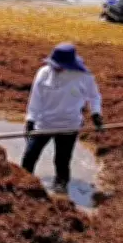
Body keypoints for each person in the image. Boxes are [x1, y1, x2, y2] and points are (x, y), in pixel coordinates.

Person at [22, 43, 104, 194]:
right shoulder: (43, 73)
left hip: (69, 125)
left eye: (59, 65)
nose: (55, 67)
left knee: (62, 159)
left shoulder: (83, 77)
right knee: (29, 156)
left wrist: (96, 114)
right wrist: (30, 119)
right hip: (44, 123)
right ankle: (24, 184)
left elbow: (94, 96)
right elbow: (35, 98)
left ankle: (61, 185)